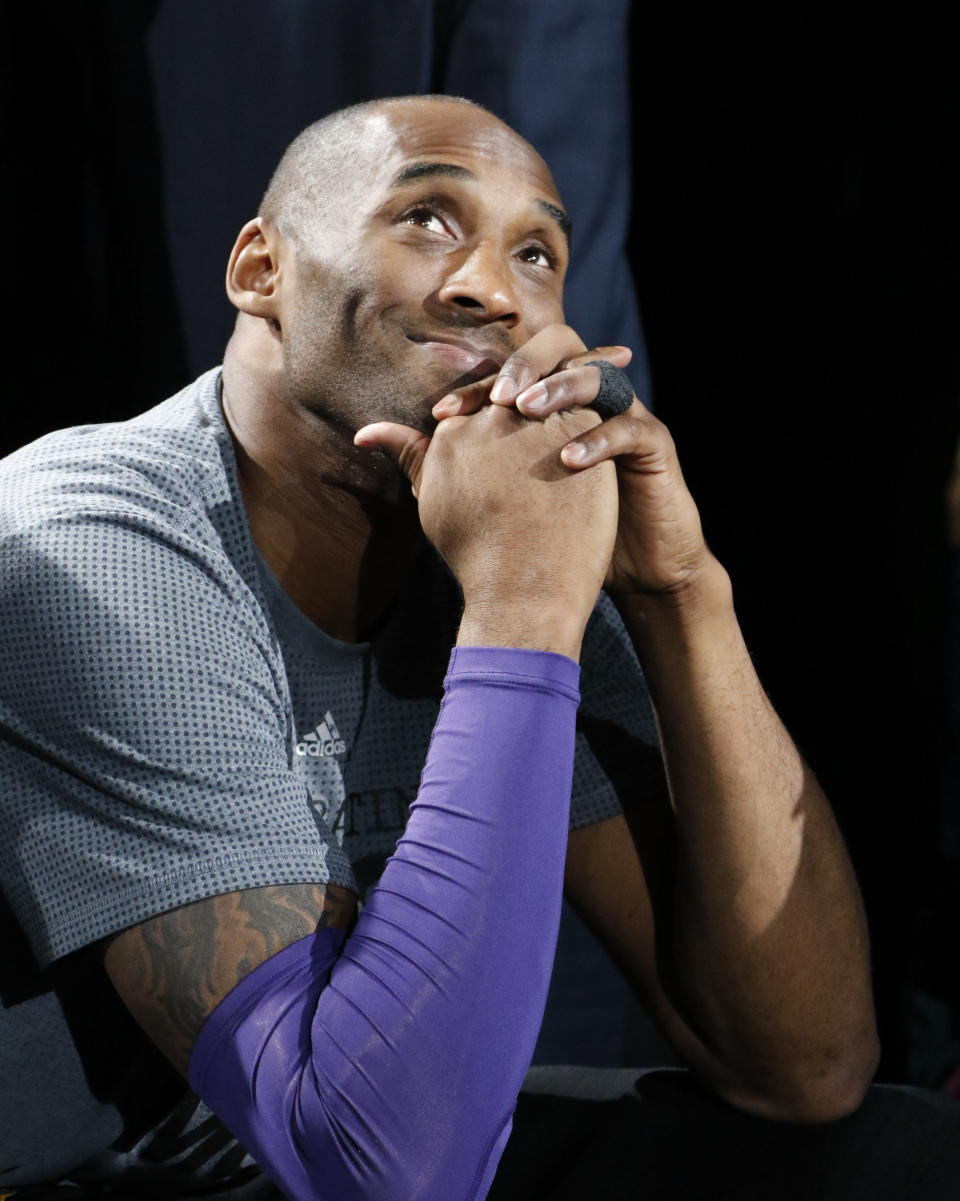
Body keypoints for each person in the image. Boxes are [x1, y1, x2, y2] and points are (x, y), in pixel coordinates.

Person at [0, 94, 957, 1200]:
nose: (491, 290)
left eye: (537, 251)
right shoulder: (89, 551)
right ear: (262, 270)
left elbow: (807, 1067)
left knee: (890, 1161)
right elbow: (384, 1172)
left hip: (232, 1150)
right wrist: (524, 608)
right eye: (427, 220)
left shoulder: (484, 546)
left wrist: (677, 592)